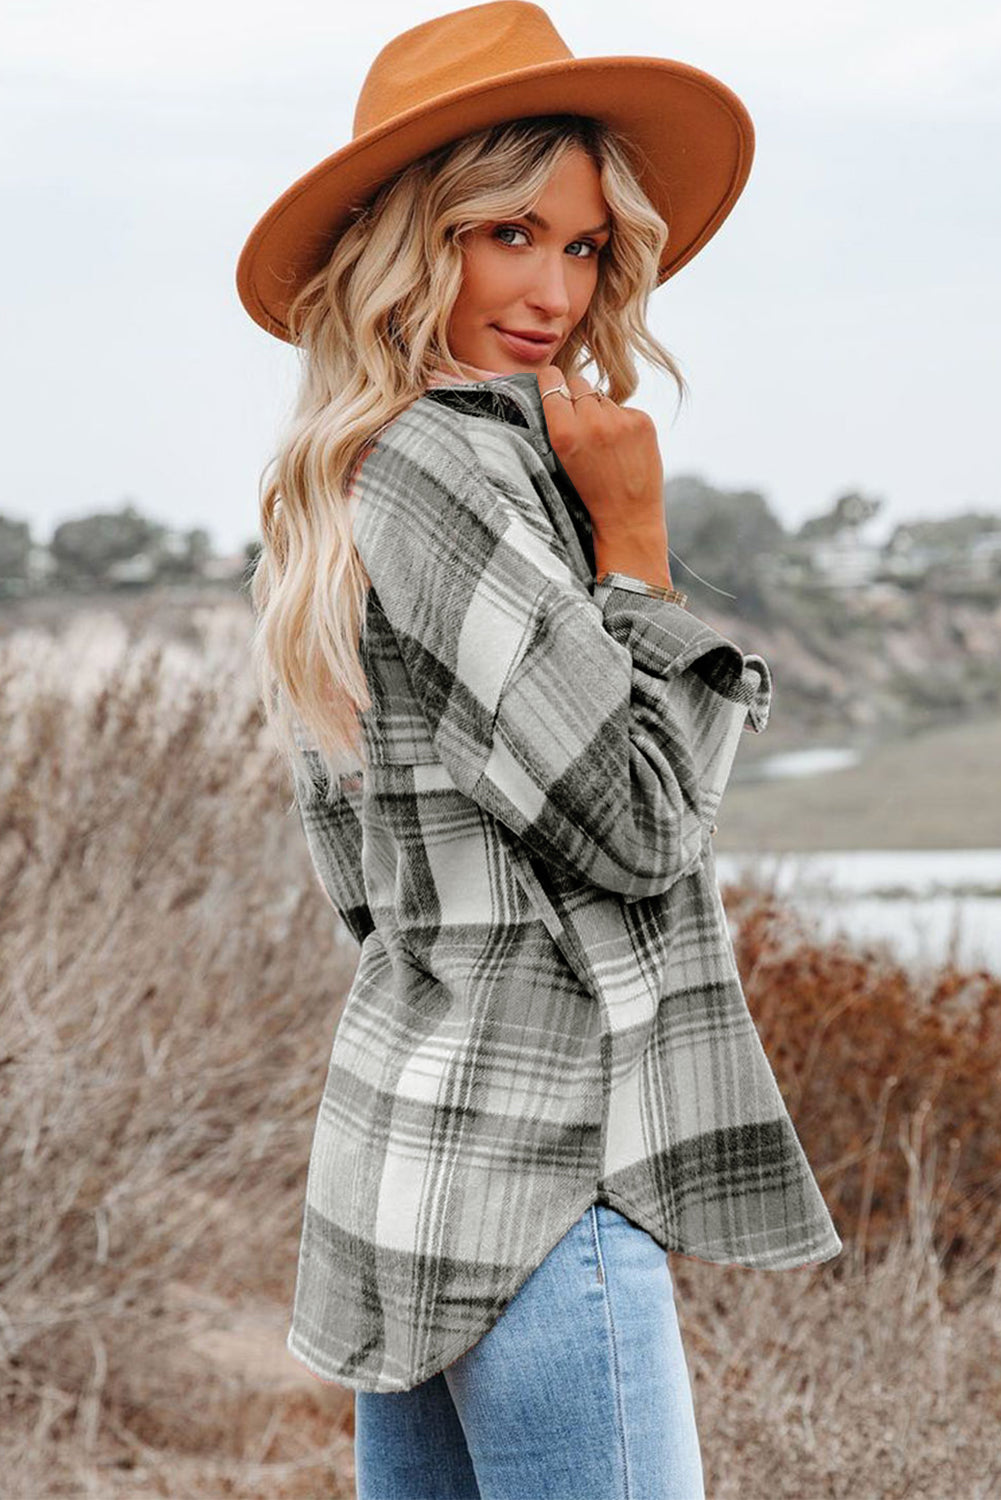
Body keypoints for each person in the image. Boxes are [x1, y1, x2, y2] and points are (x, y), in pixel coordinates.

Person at [235, 4, 843, 1496]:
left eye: (581, 248)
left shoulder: (342, 481)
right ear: (408, 238)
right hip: (540, 1180)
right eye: (508, 233)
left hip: (411, 1160)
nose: (554, 291)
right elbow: (639, 829)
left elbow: (363, 892)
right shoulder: (456, 466)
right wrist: (634, 551)